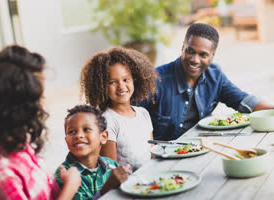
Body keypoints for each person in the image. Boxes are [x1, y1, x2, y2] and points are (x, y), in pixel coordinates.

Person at [0, 45, 81, 200]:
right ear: (15, 110)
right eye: (38, 99)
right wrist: (71, 186)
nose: (43, 104)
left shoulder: (11, 137)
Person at [140, 23, 274, 141]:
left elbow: (244, 102)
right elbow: (129, 119)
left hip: (201, 147)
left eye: (203, 55)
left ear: (212, 56)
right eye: (190, 51)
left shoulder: (215, 76)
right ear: (183, 47)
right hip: (161, 155)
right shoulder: (155, 79)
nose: (195, 60)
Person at [79, 47, 159, 171]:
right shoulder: (108, 120)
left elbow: (152, 154)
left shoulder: (143, 113)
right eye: (112, 82)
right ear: (102, 87)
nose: (121, 86)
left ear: (134, 80)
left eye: (126, 79)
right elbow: (112, 170)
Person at [54, 104, 131, 200]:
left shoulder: (111, 165)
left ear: (103, 137)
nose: (79, 135)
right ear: (66, 140)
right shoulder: (65, 175)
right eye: (72, 132)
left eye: (86, 129)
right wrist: (107, 188)